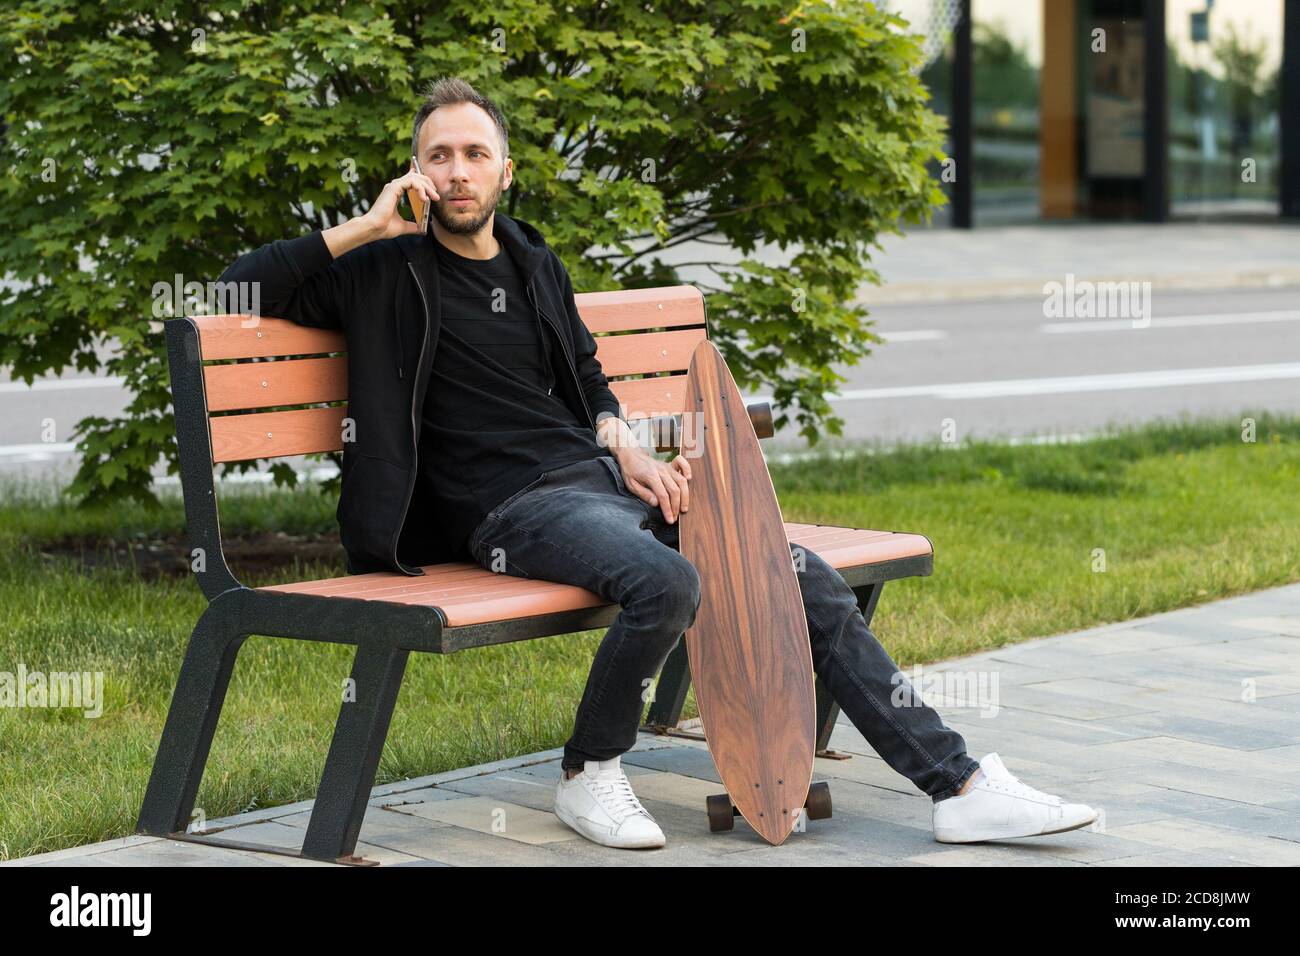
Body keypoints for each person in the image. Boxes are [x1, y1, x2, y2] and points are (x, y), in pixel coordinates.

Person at [219, 76, 1099, 851]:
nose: (456, 171)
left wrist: (624, 443)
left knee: (800, 575)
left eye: (474, 153)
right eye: (437, 155)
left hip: (597, 488)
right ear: (415, 171)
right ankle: (590, 769)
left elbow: (588, 381)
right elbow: (235, 289)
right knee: (668, 583)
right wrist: (363, 226)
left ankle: (962, 786)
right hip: (504, 514)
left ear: (504, 171)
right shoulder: (379, 270)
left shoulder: (532, 261)